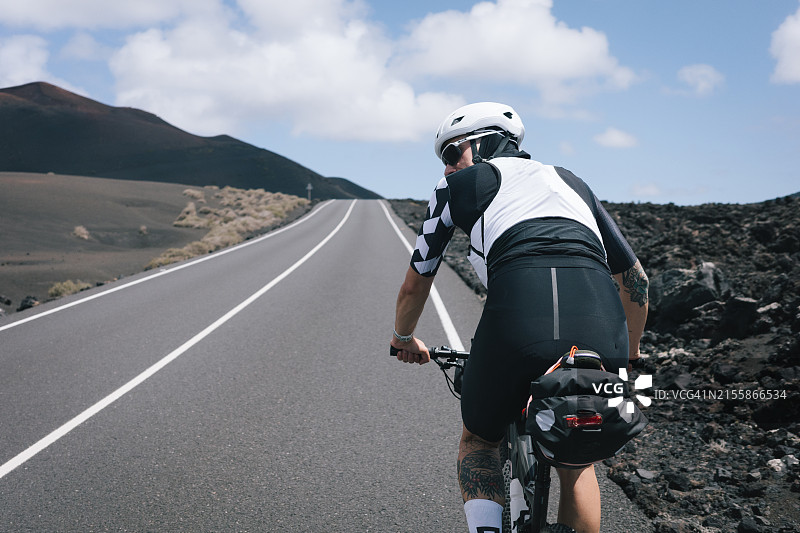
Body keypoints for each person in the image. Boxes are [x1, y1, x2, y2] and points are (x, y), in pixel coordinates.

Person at [389, 102, 649, 533]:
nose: (450, 168)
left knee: (479, 440)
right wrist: (632, 352)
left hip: (520, 312)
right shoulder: (572, 181)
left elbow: (417, 281)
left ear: (481, 143)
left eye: (452, 154)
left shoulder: (456, 186)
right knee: (578, 457)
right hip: (601, 318)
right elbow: (636, 280)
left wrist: (403, 338)